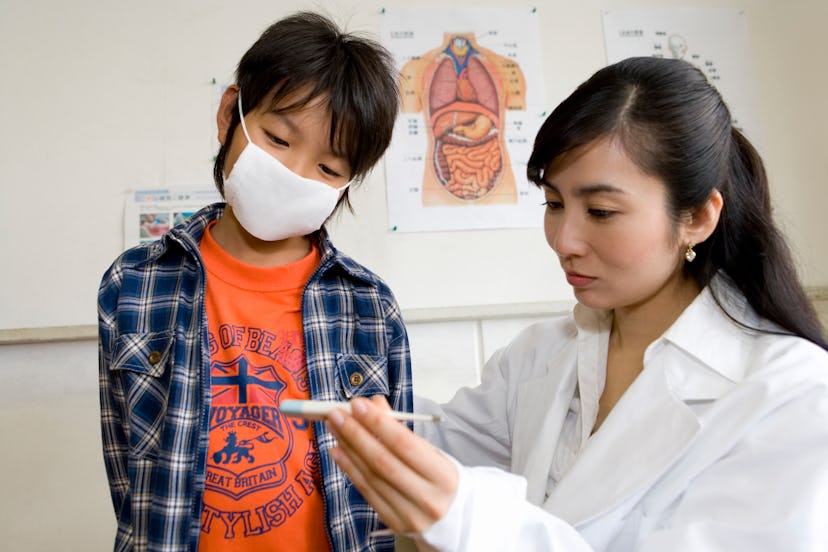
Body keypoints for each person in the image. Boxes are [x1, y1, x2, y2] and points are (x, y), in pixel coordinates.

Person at [324, 56, 828, 551]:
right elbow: (434, 440)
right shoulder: (543, 355)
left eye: (602, 211)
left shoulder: (794, 393)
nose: (565, 240)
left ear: (696, 216)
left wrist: (473, 521)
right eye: (554, 204)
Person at [98, 11, 409, 552]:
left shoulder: (370, 308)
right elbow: (127, 472)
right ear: (229, 114)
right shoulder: (134, 285)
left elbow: (388, 485)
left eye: (329, 169)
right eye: (277, 139)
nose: (295, 175)